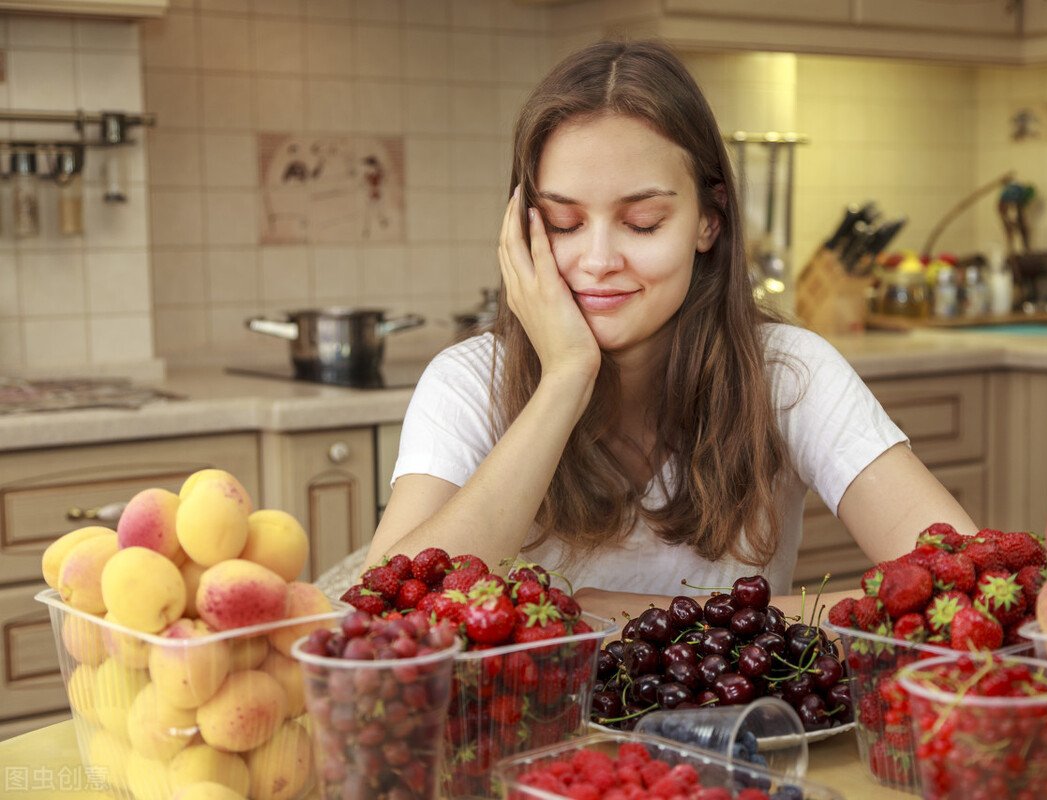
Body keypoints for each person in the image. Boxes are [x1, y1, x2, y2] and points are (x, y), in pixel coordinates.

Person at [364, 39, 975, 622]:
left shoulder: (789, 371)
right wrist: (566, 378)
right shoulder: (470, 382)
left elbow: (962, 586)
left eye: (643, 222)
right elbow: (390, 617)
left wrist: (636, 617)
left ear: (708, 221)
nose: (598, 260)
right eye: (563, 223)